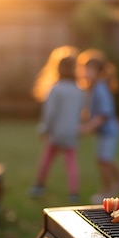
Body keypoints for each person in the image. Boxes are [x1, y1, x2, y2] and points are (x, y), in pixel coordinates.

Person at [28, 46, 86, 203]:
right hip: (71, 133)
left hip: (56, 133)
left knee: (46, 159)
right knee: (71, 163)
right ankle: (74, 193)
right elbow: (81, 113)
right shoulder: (79, 90)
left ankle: (39, 186)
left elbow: (50, 113)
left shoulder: (56, 89)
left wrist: (44, 129)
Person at [78, 49, 119, 204]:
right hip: (106, 132)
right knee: (106, 159)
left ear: (98, 71)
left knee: (103, 160)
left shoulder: (100, 88)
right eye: (84, 69)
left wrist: (88, 127)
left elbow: (104, 114)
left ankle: (107, 191)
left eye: (90, 69)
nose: (86, 72)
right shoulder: (94, 87)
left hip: (109, 131)